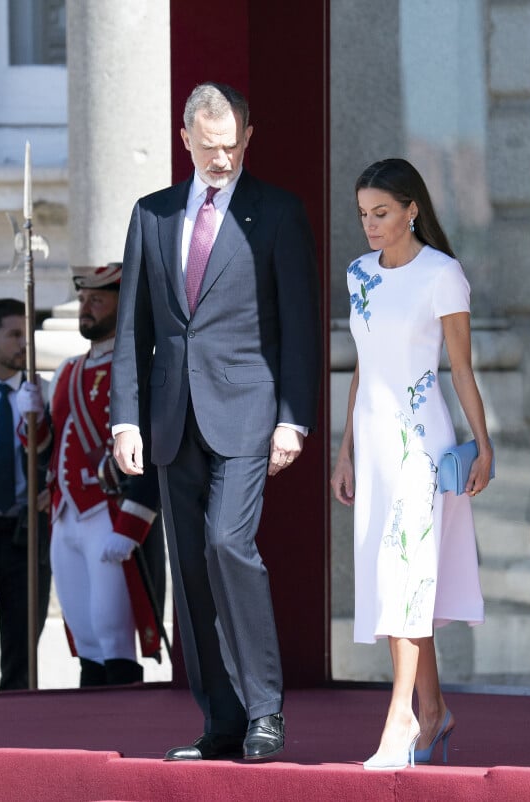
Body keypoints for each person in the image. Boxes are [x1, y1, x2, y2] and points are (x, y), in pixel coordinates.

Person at [111, 82, 321, 761]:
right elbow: (131, 330)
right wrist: (125, 421)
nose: (223, 159)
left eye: (233, 146)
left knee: (229, 545)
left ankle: (266, 708)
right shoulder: (152, 216)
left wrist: (293, 419)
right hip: (171, 420)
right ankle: (221, 719)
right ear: (186, 141)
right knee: (194, 571)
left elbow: (300, 328)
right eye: (210, 147)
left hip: (248, 415)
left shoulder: (278, 213)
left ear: (247, 139)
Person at [331, 158, 493, 770]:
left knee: (403, 575)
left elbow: (461, 370)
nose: (370, 226)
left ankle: (399, 721)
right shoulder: (358, 275)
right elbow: (364, 369)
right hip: (371, 445)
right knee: (401, 578)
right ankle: (435, 713)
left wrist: (484, 443)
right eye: (363, 215)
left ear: (411, 210)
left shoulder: (442, 275)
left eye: (381, 213)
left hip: (419, 447)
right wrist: (345, 451)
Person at [17, 264, 166, 687]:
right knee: (84, 633)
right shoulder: (65, 370)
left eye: (97, 300)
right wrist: (32, 419)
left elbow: (153, 447)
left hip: (109, 511)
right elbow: (46, 448)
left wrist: (133, 524)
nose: (86, 308)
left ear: (124, 306)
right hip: (65, 515)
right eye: (83, 300)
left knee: (112, 631)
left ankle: (121, 722)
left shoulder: (138, 368)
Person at [0, 298, 51, 690]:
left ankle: (12, 741)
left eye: (29, 334)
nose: (25, 343)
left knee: (22, 652)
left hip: (26, 538)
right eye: (15, 335)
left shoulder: (46, 392)